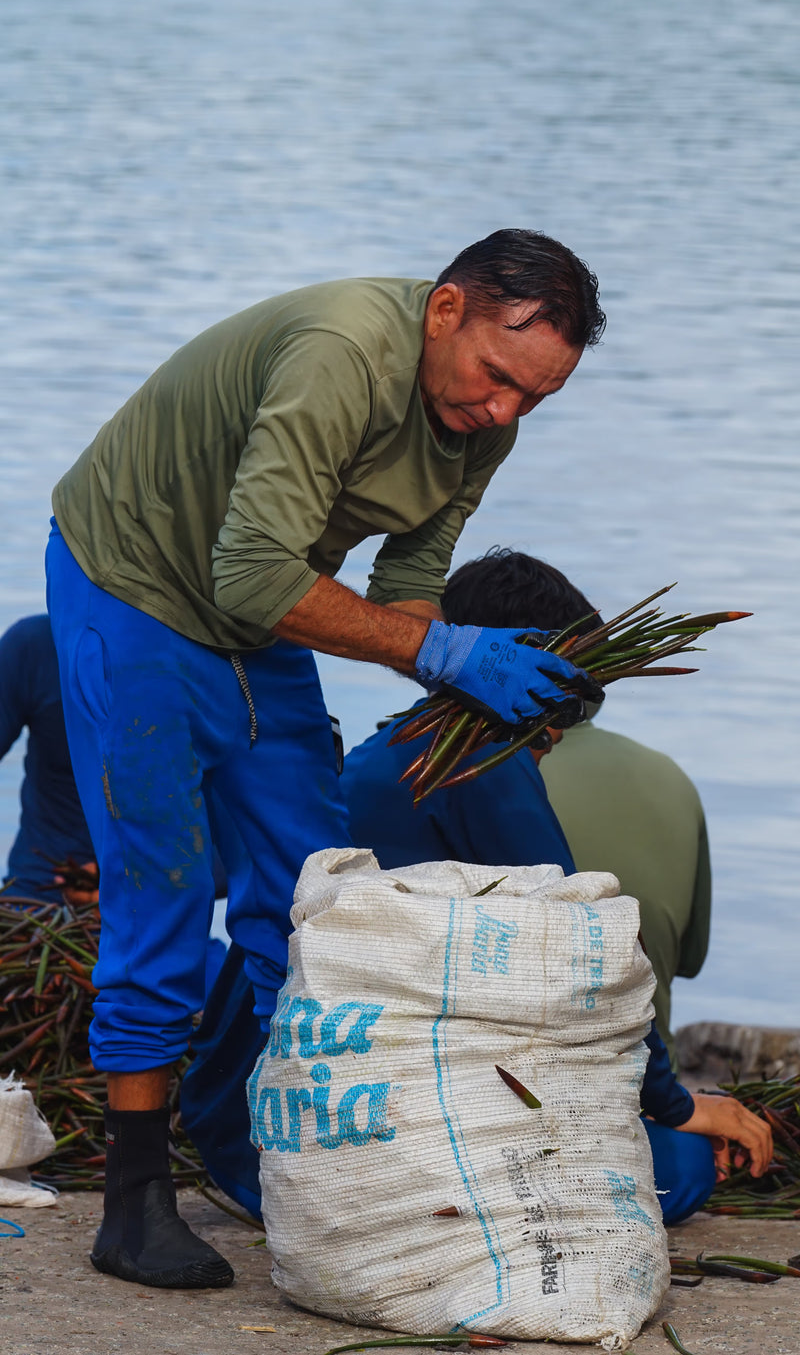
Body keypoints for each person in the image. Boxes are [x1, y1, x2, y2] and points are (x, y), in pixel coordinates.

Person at [46, 229, 606, 1288]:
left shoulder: (480, 425)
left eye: (532, 399)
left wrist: (481, 686)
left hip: (257, 612)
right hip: (135, 586)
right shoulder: (339, 352)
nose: (502, 414)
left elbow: (405, 589)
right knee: (161, 891)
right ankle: (131, 1206)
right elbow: (258, 575)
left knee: (313, 895)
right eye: (495, 378)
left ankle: (291, 1160)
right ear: (445, 310)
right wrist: (443, 651)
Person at [343, 549, 771, 1225]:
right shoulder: (485, 761)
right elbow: (588, 958)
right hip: (417, 1110)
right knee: (679, 1166)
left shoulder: (377, 752)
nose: (554, 736)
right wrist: (679, 1104)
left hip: (368, 1077)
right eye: (558, 714)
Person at [541, 704, 711, 1071]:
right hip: (651, 1077)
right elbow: (691, 958)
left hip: (526, 1079)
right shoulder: (670, 775)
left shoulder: (478, 776)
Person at [0, 615, 96, 903]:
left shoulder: (188, 656)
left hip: (151, 906)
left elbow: (231, 853)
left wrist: (124, 882)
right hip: (36, 892)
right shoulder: (35, 645)